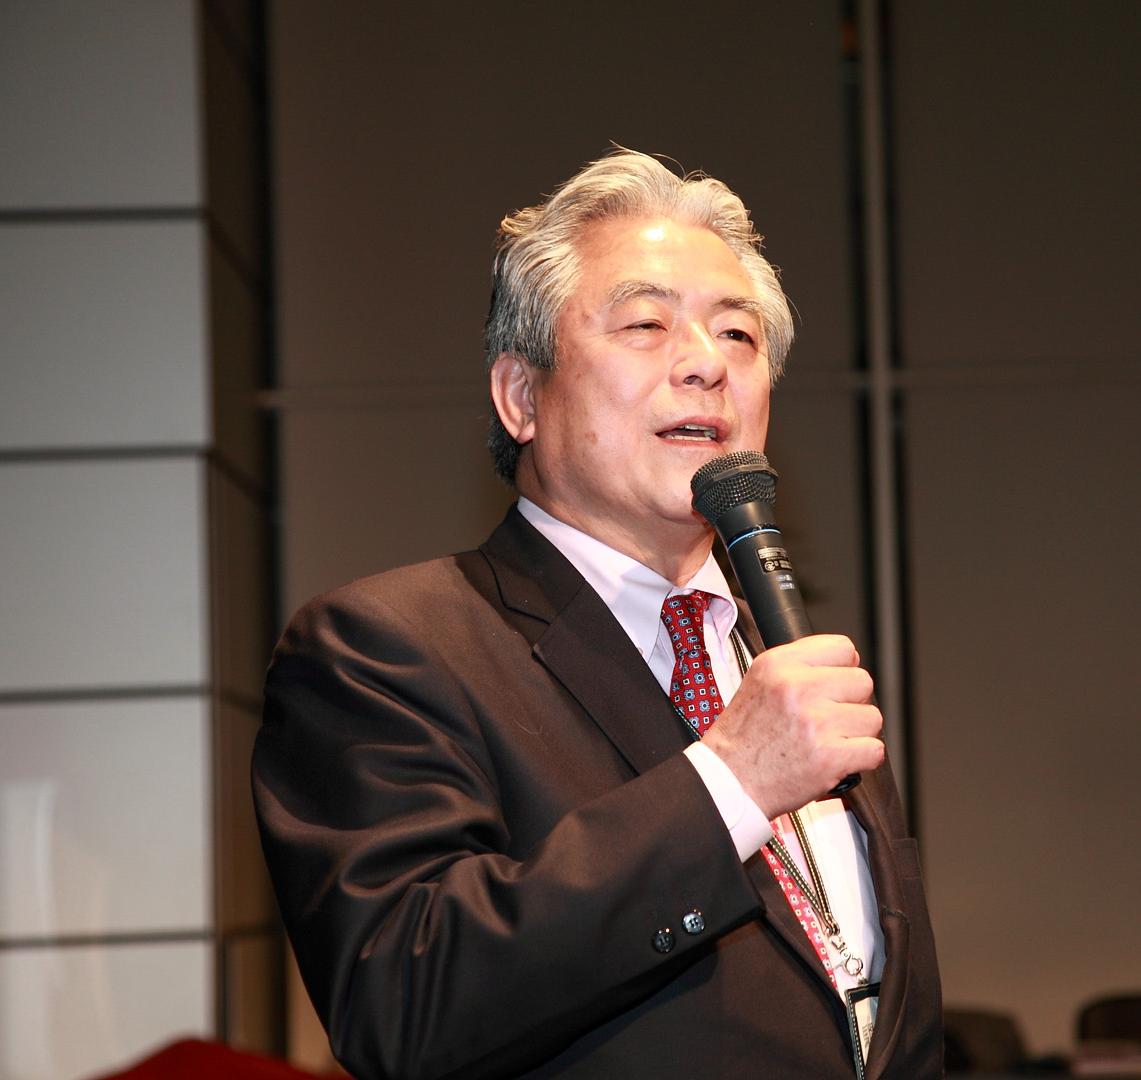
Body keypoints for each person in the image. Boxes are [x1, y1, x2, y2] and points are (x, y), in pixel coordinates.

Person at [252, 150, 942, 1079]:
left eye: (737, 334)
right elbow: (402, 1002)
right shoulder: (386, 648)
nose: (707, 364)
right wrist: (730, 784)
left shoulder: (787, 662)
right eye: (647, 324)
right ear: (520, 396)